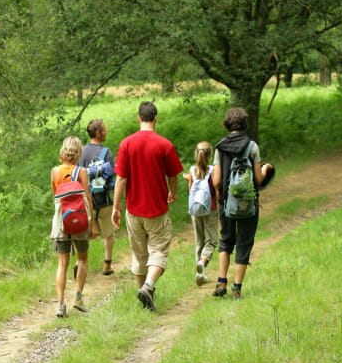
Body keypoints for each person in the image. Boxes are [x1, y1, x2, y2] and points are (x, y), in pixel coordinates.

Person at [112, 101, 184, 311]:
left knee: (139, 254)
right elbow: (173, 175)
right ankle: (148, 286)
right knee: (158, 251)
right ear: (156, 118)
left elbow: (121, 179)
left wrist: (116, 207)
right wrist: (172, 192)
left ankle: (144, 294)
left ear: (138, 118)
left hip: (133, 210)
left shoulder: (127, 144)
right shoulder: (164, 144)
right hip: (157, 210)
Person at [212, 107, 273, 299]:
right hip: (248, 203)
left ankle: (221, 281)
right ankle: (237, 288)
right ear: (245, 124)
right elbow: (259, 179)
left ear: (227, 123)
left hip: (226, 202)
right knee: (244, 242)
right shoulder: (252, 146)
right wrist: (266, 169)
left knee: (226, 240)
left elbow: (215, 180)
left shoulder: (219, 147)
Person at [50, 136, 97, 317]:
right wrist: (92, 224)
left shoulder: (55, 172)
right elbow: (87, 199)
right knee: (82, 260)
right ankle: (78, 298)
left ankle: (61, 304)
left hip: (61, 222)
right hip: (80, 222)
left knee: (62, 264)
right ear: (78, 152)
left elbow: (55, 196)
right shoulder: (82, 172)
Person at [78, 119, 116, 276]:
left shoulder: (81, 151)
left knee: (86, 232)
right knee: (108, 232)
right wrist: (117, 203)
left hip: (87, 198)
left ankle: (80, 264)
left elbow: (78, 175)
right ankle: (107, 265)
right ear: (99, 133)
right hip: (104, 199)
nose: (106, 132)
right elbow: (112, 177)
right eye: (104, 130)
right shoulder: (106, 152)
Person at [186, 141, 218, 286]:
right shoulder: (214, 170)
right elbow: (216, 190)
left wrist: (189, 179)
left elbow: (190, 190)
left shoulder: (192, 170)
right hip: (210, 209)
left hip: (195, 209)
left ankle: (200, 274)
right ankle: (203, 262)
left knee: (199, 241)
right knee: (211, 241)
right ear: (210, 154)